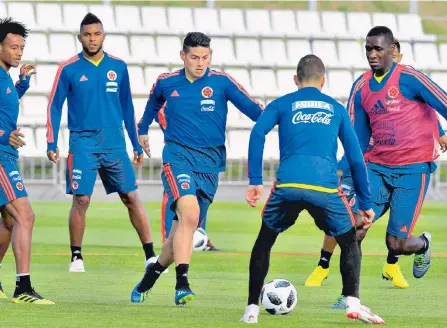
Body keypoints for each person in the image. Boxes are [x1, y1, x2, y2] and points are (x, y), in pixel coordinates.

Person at [240, 54, 384, 325]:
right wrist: (364, 202)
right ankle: (353, 302)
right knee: (349, 241)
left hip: (288, 186)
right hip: (325, 188)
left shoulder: (282, 103)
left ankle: (251, 309)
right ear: (323, 81)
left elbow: (257, 133)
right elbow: (355, 157)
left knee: (264, 242)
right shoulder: (336, 109)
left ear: (296, 80)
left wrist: (255, 180)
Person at [304, 36, 447, 294]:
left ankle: (423, 244)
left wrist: (441, 131)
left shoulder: (410, 78)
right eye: (368, 49)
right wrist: (338, 169)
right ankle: (351, 297)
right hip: (377, 167)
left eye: (378, 48)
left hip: (412, 170)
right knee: (355, 225)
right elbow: (356, 137)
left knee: (396, 244)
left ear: (392, 51)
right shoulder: (361, 87)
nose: (372, 54)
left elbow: (443, 103)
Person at [131, 32, 264, 305]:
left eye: (205, 57)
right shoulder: (167, 82)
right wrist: (142, 129)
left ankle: (150, 278)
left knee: (184, 229)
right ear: (183, 56)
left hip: (210, 165)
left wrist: (278, 116)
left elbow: (255, 112)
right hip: (177, 157)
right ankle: (182, 284)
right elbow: (153, 101)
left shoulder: (222, 82)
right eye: (194, 57)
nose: (200, 63)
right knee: (189, 215)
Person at [45, 13, 156, 273]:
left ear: (103, 36)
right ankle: (76, 257)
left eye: (96, 34)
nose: (92, 39)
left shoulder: (118, 66)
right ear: (79, 37)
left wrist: (136, 145)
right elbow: (54, 106)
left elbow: (127, 107)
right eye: (87, 34)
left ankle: (150, 254)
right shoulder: (69, 68)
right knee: (81, 200)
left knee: (130, 196)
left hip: (114, 142)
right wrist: (51, 141)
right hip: (82, 142)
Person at [0, 17, 54, 304]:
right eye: (13, 47)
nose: (19, 52)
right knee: (25, 215)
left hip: (7, 154)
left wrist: (22, 83)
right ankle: (23, 288)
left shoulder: (6, 78)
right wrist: (2, 135)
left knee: (9, 221)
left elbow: (6, 102)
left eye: (21, 47)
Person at [156, 103, 220, 251]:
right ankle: (169, 239)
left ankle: (198, 236)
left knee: (200, 194)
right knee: (174, 193)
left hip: (203, 152)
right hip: (180, 153)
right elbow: (162, 114)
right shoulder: (172, 91)